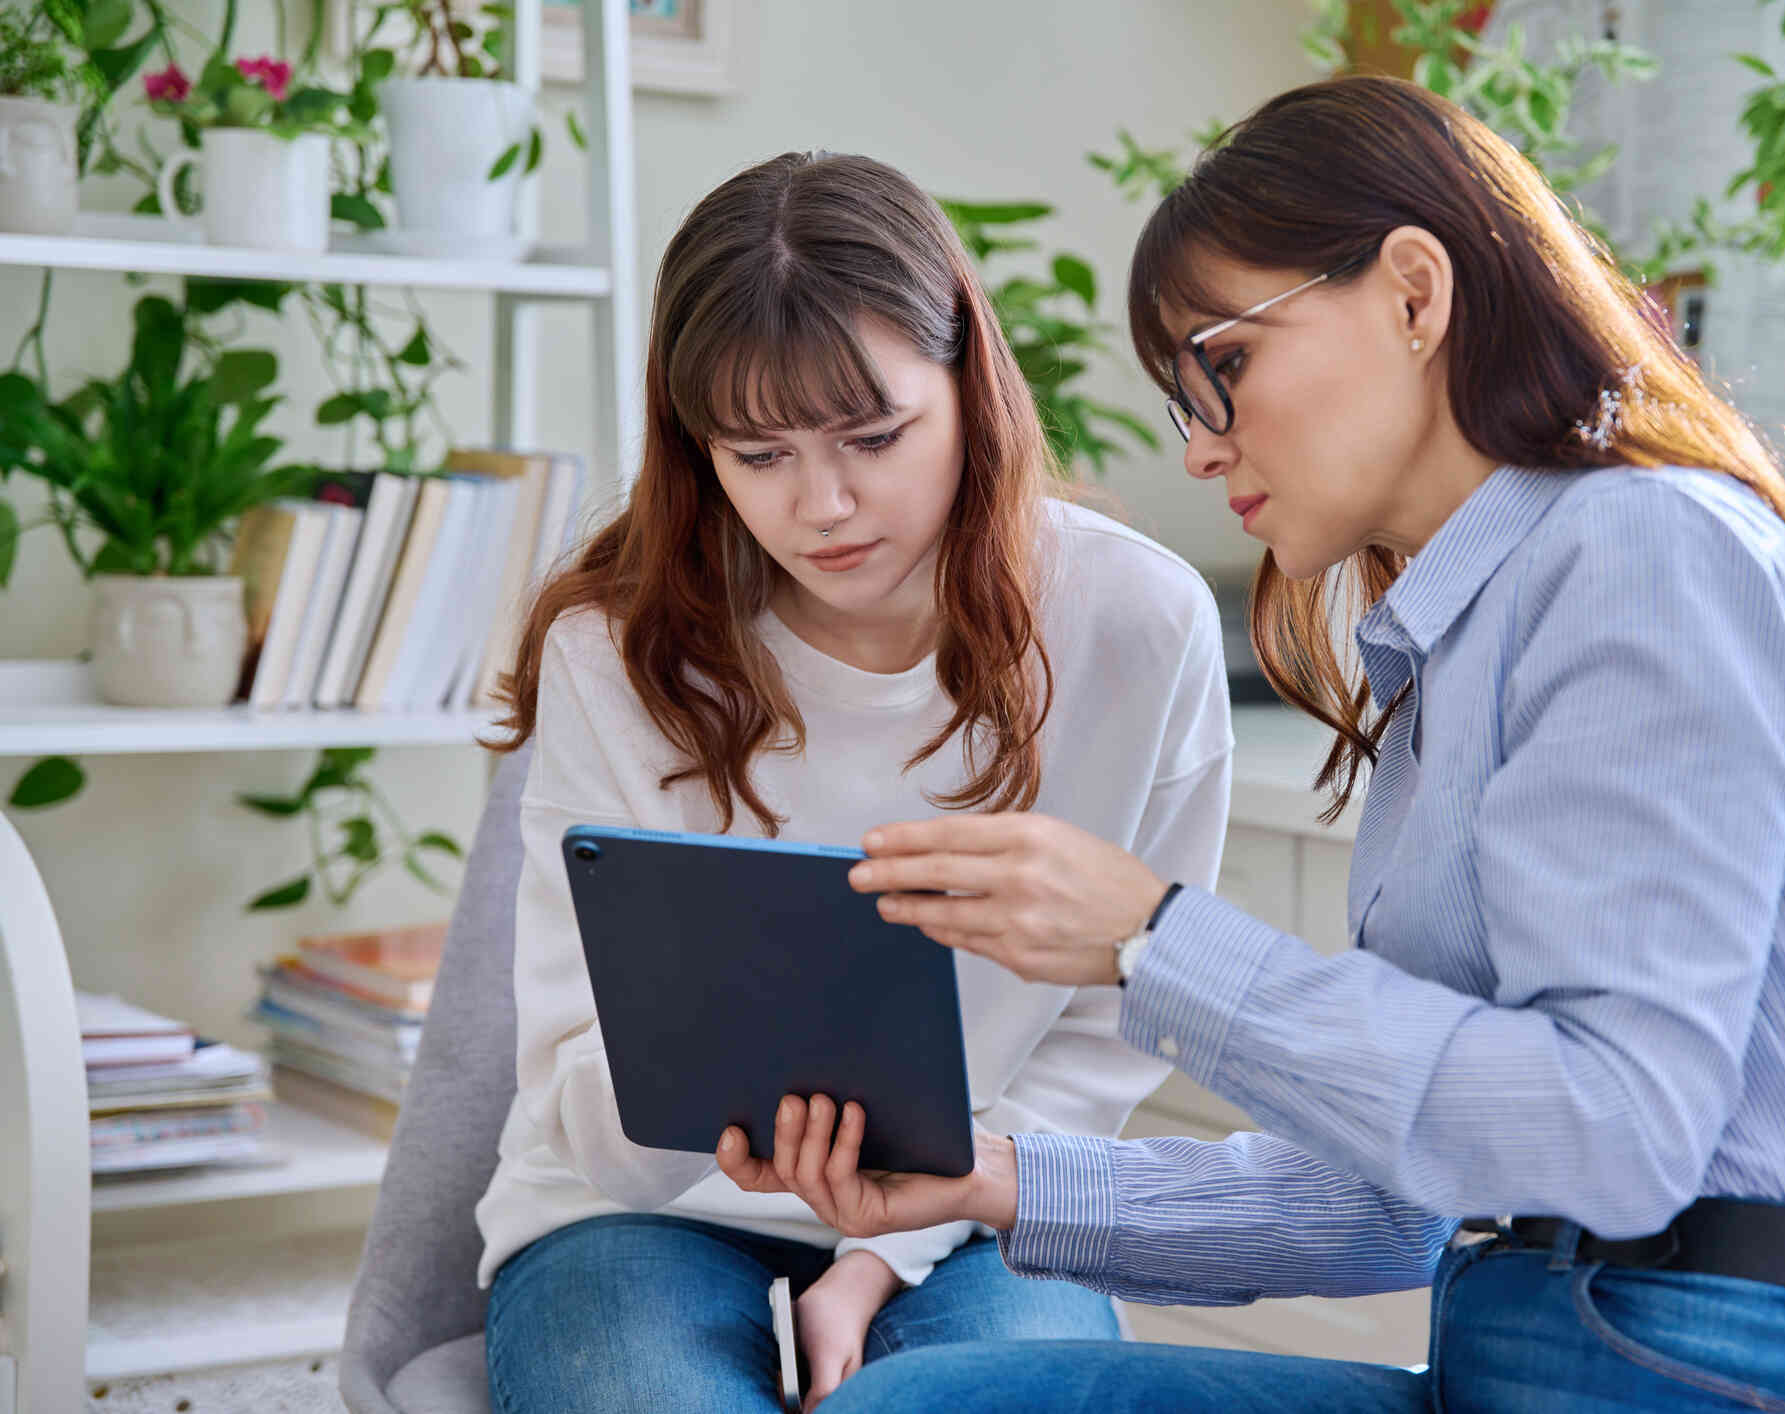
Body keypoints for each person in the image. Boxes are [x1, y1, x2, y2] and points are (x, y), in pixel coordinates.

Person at [721, 76, 1785, 1413]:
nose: (1204, 448)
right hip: (1552, 1337)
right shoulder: (1458, 643)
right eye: (1184, 399)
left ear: (1412, 291)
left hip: (1722, 1356)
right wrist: (998, 1177)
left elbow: (1615, 1131)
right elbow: (1394, 1203)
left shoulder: (1638, 550)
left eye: (1224, 365)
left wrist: (1156, 937)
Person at [475, 150, 1234, 1414]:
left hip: (989, 1197)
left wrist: (883, 1251)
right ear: (694, 445)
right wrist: (692, 1069)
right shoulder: (613, 653)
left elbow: (1119, 1024)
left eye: (875, 437)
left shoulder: (1134, 624)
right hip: (635, 1215)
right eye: (757, 453)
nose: (822, 505)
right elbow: (578, 1103)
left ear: (968, 385)